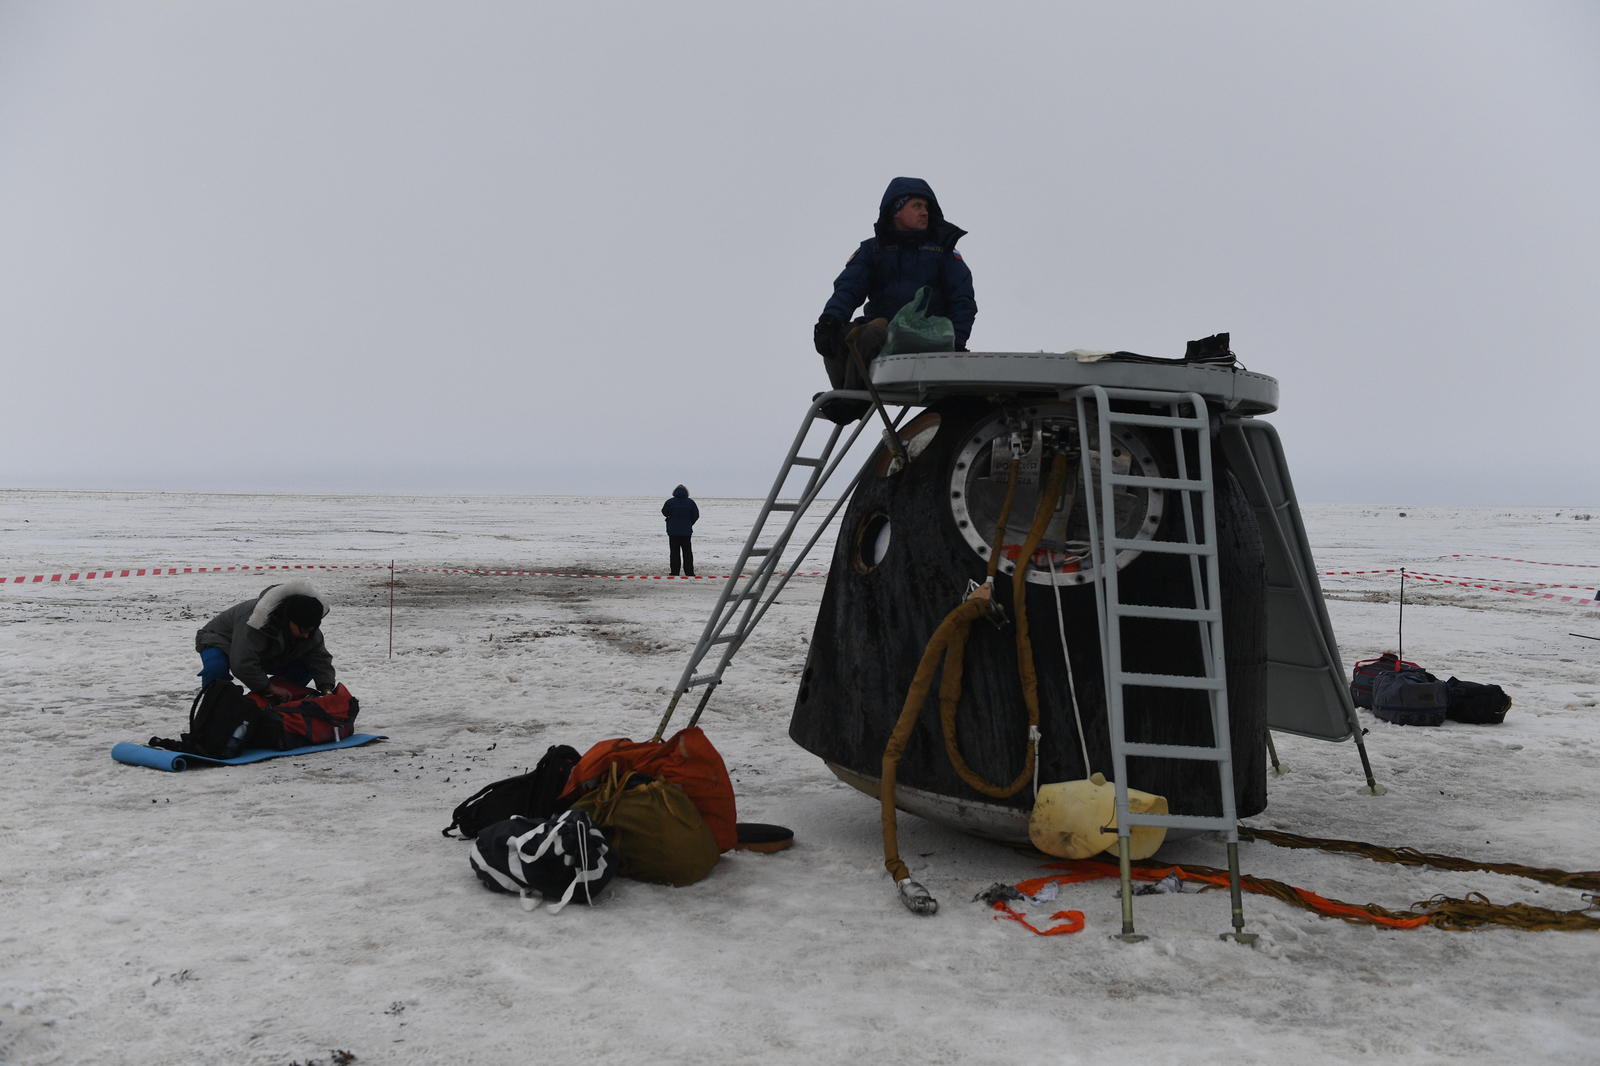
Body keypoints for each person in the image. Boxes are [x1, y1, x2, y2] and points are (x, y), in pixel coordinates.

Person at [813, 177, 977, 394]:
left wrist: (956, 341)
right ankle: (845, 392)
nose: (925, 212)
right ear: (896, 211)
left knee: (869, 334)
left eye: (926, 207)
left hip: (928, 336)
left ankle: (852, 400)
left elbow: (962, 299)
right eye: (917, 206)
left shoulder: (943, 251)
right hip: (886, 331)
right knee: (839, 336)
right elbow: (849, 288)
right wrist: (829, 321)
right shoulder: (873, 251)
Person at [195, 580, 336, 697]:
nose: (306, 636)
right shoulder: (256, 620)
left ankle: (268, 703)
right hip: (220, 640)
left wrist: (327, 689)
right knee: (216, 669)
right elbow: (243, 664)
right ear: (290, 619)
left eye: (310, 631)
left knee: (305, 666)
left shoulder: (307, 628)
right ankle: (214, 709)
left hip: (261, 650)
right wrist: (269, 687)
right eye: (303, 630)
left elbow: (320, 660)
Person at [661, 485, 699, 577]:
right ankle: (689, 572)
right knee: (687, 552)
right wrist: (689, 523)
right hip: (686, 531)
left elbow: (664, 512)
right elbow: (696, 515)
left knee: (674, 552)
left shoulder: (670, 502)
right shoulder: (690, 502)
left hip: (673, 531)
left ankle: (674, 572)